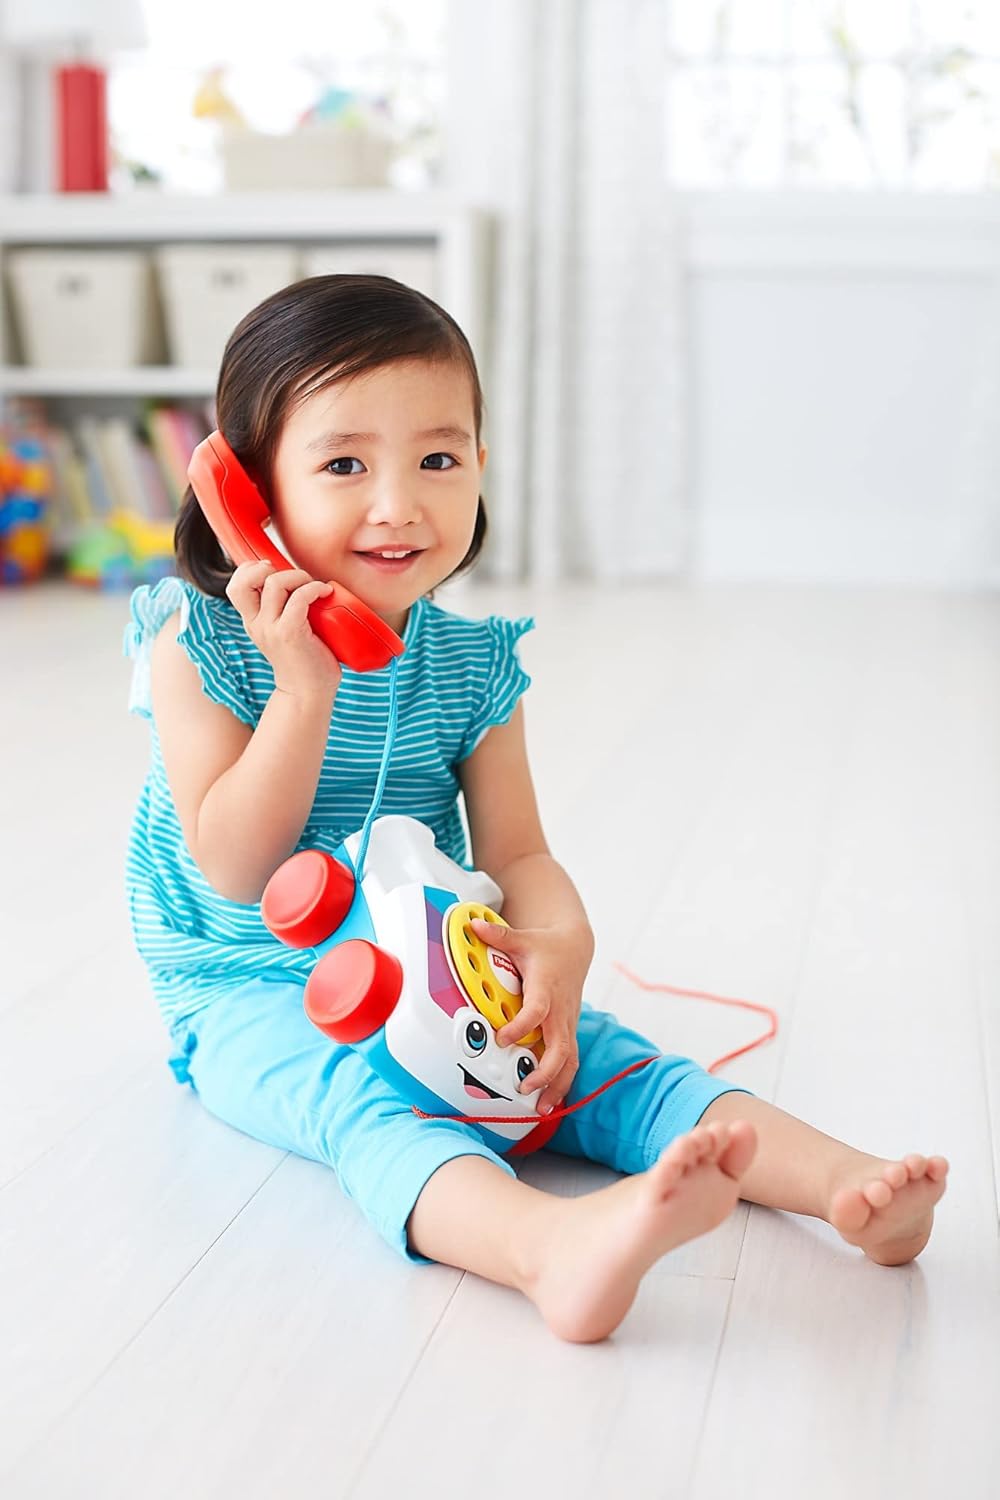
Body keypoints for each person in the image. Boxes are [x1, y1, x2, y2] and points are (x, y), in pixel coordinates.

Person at [124, 274, 948, 1344]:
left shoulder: (469, 665)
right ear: (247, 495)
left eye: (438, 457)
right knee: (362, 1104)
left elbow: (518, 850)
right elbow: (235, 865)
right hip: (251, 989)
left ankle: (844, 1184)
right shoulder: (199, 645)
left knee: (605, 1060)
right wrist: (306, 689)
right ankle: (545, 1249)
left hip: (433, 953)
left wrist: (558, 944)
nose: (399, 502)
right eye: (342, 465)